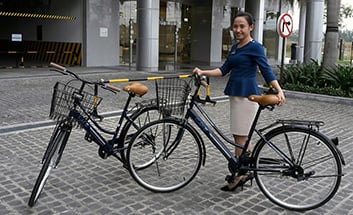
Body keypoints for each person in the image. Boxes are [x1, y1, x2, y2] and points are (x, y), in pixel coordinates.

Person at [193, 11, 285, 191]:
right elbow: (223, 70)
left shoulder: (255, 47)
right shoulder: (236, 48)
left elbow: (265, 70)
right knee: (240, 136)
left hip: (246, 96)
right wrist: (203, 71)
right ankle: (244, 170)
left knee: (241, 137)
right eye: (235, 26)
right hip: (236, 95)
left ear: (251, 27)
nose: (238, 29)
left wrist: (278, 89)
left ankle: (240, 174)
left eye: (242, 26)